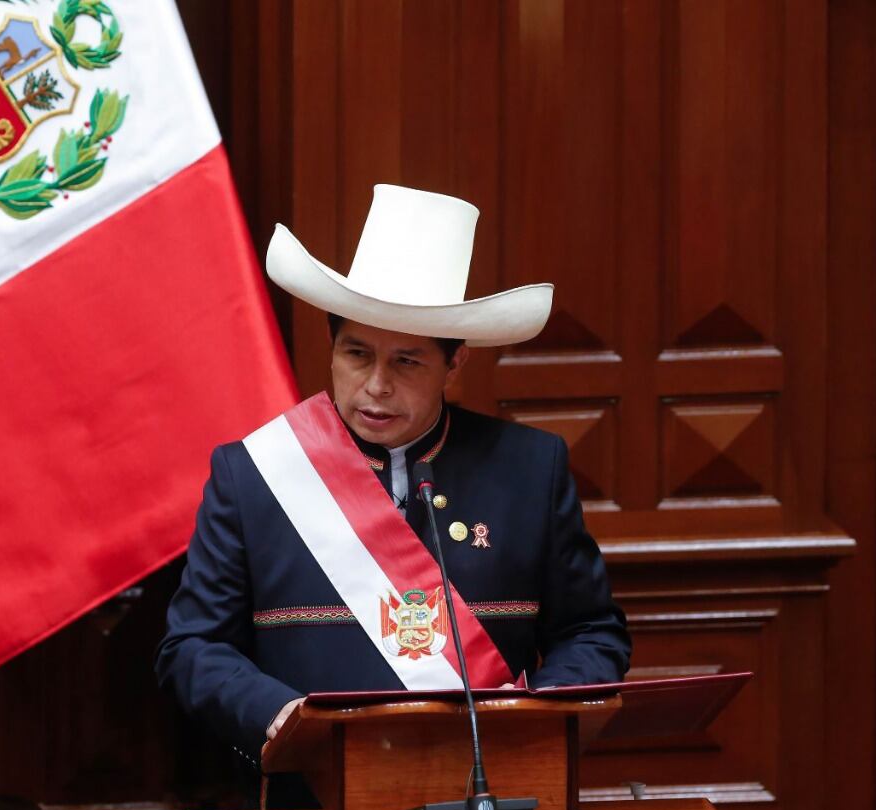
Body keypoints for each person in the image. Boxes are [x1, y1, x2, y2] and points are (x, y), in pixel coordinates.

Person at [154, 185, 631, 772]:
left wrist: (532, 718)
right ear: (331, 348)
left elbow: (590, 632)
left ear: (455, 364)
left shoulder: (530, 470)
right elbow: (193, 648)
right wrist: (279, 716)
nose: (376, 385)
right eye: (357, 354)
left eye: (406, 361)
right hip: (311, 799)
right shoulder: (254, 475)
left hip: (490, 794)